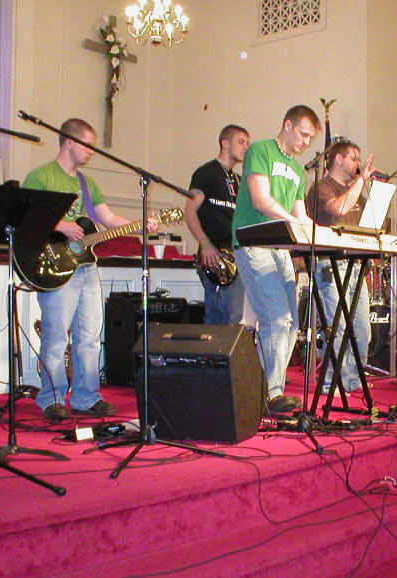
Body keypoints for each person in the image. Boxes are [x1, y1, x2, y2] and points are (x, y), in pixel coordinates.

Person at [23, 118, 158, 421]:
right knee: (56, 337)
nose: (91, 151)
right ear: (69, 142)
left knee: (90, 336)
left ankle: (86, 396)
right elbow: (28, 216)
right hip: (56, 266)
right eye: (87, 145)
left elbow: (107, 218)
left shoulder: (87, 184)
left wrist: (139, 226)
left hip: (86, 268)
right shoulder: (41, 176)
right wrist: (62, 226)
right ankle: (51, 399)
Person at [231, 105, 321, 413]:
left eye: (311, 138)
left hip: (280, 248)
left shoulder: (298, 171)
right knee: (276, 318)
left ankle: (268, 390)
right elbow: (260, 199)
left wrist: (320, 232)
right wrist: (293, 222)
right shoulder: (260, 150)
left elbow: (300, 215)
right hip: (253, 242)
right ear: (288, 125)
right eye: (303, 134)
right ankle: (271, 394)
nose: (306, 142)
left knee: (291, 323)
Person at [305, 139, 375, 396]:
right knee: (338, 326)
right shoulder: (321, 187)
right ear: (338, 159)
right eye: (354, 158)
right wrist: (361, 181)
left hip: (356, 265)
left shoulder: (358, 193)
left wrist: (378, 194)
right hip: (331, 264)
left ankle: (352, 379)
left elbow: (371, 226)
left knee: (362, 327)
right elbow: (338, 208)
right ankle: (331, 382)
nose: (358, 164)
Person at [185, 124, 250, 325]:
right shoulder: (206, 172)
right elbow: (190, 211)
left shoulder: (239, 180)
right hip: (214, 256)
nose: (246, 147)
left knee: (233, 317)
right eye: (241, 142)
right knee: (218, 318)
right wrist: (205, 243)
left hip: (236, 255)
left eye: (247, 143)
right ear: (225, 143)